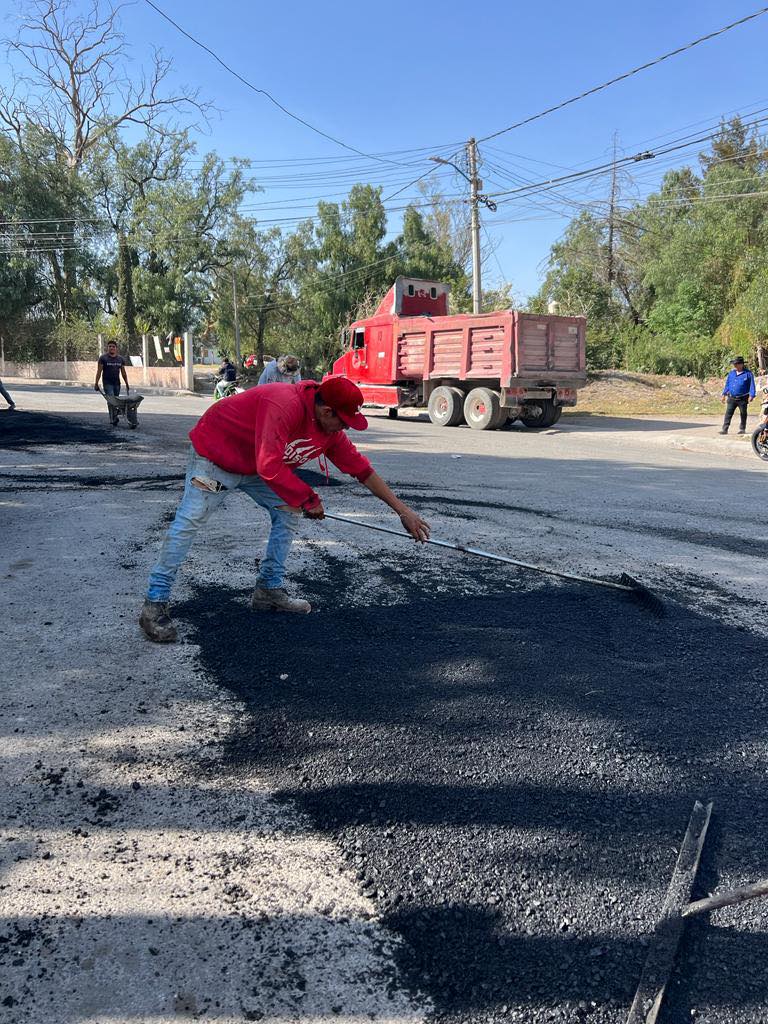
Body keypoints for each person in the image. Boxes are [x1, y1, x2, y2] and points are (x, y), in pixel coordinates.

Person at [138, 377, 430, 643]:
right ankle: (155, 604)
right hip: (215, 461)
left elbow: (361, 470)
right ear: (327, 411)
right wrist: (308, 497)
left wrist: (402, 510)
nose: (346, 429)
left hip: (256, 468)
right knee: (191, 519)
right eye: (344, 422)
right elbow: (269, 465)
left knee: (287, 512)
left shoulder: (329, 431)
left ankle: (268, 590)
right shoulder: (283, 404)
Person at [95, 341, 129, 425]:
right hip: (107, 383)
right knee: (111, 400)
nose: (111, 348)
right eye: (110, 346)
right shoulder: (103, 358)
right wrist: (96, 383)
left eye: (113, 346)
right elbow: (99, 371)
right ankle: (113, 419)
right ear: (107, 348)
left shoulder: (120, 359)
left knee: (116, 401)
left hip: (117, 383)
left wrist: (127, 383)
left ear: (116, 348)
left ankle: (114, 416)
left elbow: (123, 373)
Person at [719, 356, 756, 435]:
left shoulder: (748, 374)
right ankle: (725, 429)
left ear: (741, 364)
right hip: (731, 397)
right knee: (728, 413)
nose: (735, 366)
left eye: (736, 364)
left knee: (743, 414)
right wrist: (724, 394)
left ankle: (742, 429)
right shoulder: (731, 373)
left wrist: (752, 395)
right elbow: (727, 385)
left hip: (743, 398)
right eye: (734, 364)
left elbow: (752, 385)